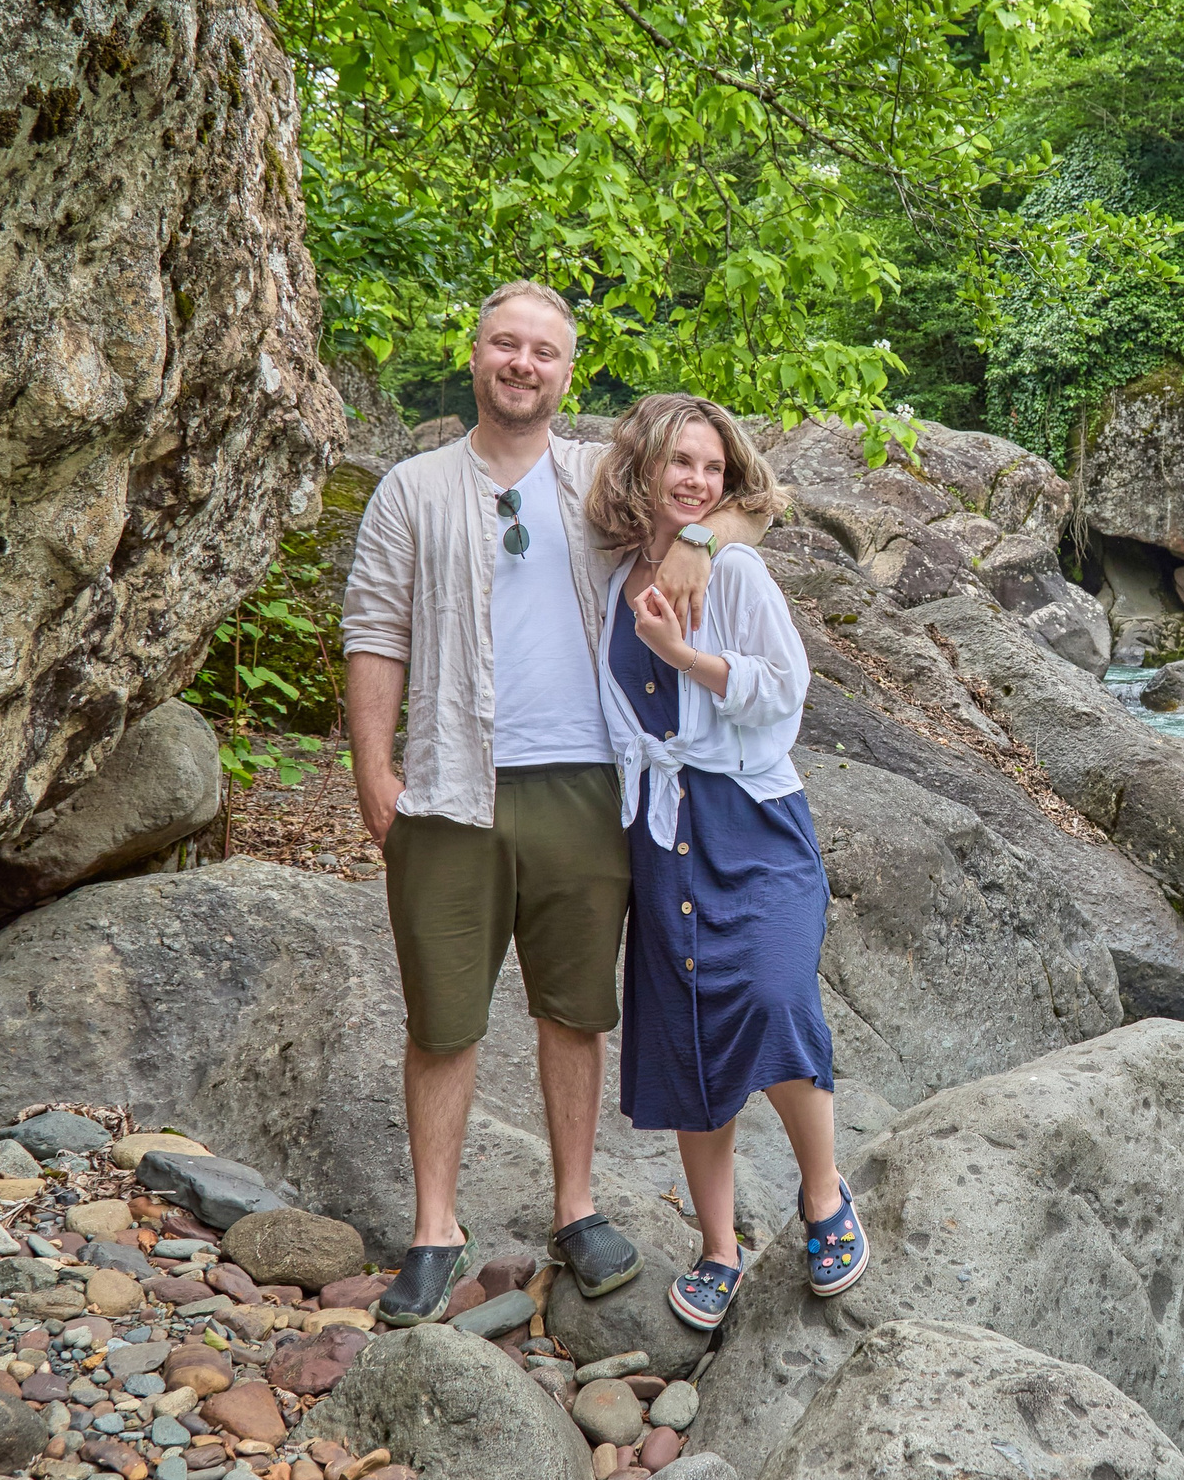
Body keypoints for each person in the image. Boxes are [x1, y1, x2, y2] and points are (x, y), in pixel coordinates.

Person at [340, 282, 766, 1326]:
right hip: (448, 788)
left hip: (585, 785)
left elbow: (745, 495)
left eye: (544, 351)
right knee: (443, 1018)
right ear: (475, 352)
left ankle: (575, 1207)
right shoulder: (412, 488)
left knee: (575, 1011)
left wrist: (702, 542)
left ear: (569, 371)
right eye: (505, 344)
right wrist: (373, 769)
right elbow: (374, 627)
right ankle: (436, 1227)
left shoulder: (598, 482)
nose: (522, 363)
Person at [586, 392, 865, 1330]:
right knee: (691, 1031)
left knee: (779, 996)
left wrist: (684, 652)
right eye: (681, 464)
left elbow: (786, 697)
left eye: (713, 468)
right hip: (662, 833)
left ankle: (823, 1197)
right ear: (643, 472)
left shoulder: (733, 571)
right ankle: (719, 1246)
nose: (699, 482)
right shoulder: (610, 573)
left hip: (752, 815)